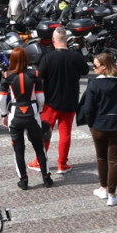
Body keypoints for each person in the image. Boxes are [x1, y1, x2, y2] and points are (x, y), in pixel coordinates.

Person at [29, 27, 89, 174]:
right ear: (66, 41)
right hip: (70, 101)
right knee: (65, 133)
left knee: (45, 131)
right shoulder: (76, 56)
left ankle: (39, 161)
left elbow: (39, 77)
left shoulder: (48, 58)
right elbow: (86, 71)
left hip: (50, 101)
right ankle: (62, 164)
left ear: (54, 41)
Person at [78, 52, 117, 206]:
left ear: (104, 66)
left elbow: (88, 108)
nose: (93, 69)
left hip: (99, 126)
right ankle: (112, 195)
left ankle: (103, 188)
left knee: (101, 157)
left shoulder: (94, 84)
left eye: (95, 66)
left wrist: (90, 125)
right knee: (114, 160)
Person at [0, 47, 54, 190]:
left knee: (18, 150)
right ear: (26, 58)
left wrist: (4, 115)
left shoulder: (7, 75)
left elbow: (1, 99)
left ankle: (23, 181)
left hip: (15, 115)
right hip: (32, 114)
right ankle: (46, 178)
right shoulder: (35, 73)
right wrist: (39, 111)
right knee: (39, 147)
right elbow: (41, 98)